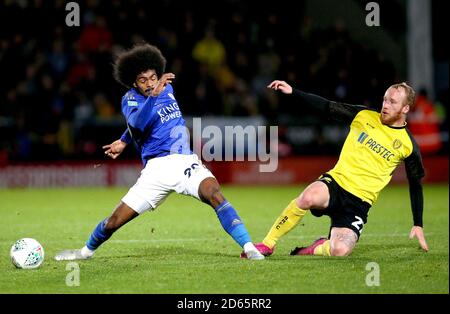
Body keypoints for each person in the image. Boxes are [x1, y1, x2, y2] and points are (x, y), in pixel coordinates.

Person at [55, 43, 264, 261]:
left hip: (185, 161)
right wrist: (135, 127)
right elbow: (138, 122)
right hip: (156, 170)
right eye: (142, 80)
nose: (149, 83)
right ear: (134, 82)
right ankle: (85, 252)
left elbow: (151, 121)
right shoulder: (130, 99)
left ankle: (249, 248)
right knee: (114, 221)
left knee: (214, 193)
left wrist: (125, 140)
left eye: (152, 77)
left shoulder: (168, 89)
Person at [241, 80, 428, 258]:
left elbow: (415, 184)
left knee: (340, 251)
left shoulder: (408, 145)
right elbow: (326, 106)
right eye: (385, 99)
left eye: (392, 102)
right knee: (307, 197)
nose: (385, 105)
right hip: (336, 184)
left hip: (359, 204)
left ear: (405, 109)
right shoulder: (363, 116)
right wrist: (294, 93)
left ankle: (315, 248)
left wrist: (418, 224)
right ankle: (268, 244)